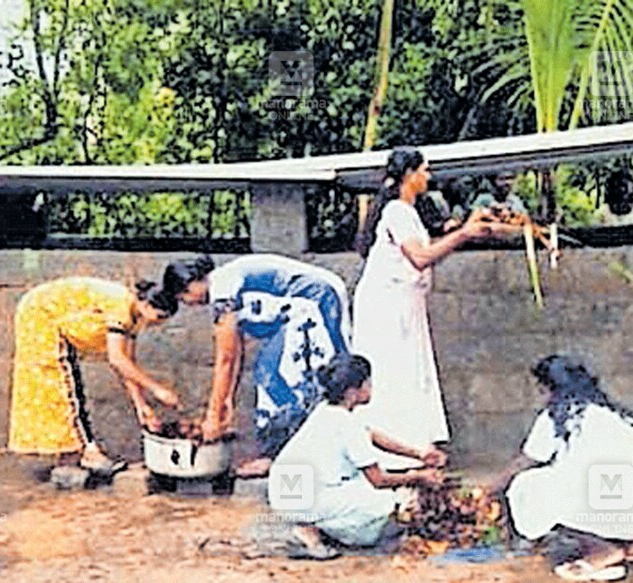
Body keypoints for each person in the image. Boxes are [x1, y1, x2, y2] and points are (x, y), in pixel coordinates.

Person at [352, 147, 511, 469]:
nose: (428, 176)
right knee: (393, 375)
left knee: (410, 374)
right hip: (387, 308)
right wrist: (465, 233)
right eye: (424, 170)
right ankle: (391, 453)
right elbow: (421, 257)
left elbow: (436, 242)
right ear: (410, 175)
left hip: (405, 306)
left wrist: (474, 224)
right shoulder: (396, 211)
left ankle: (412, 447)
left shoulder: (410, 212)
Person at [491, 355, 633, 582]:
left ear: (550, 389)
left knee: (528, 486)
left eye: (542, 391)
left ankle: (603, 550)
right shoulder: (616, 414)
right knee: (609, 479)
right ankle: (631, 545)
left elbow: (525, 462)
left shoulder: (557, 416)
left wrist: (491, 489)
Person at [171, 254, 351, 478]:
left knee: (277, 376)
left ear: (193, 282)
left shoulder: (223, 289)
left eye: (183, 296)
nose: (188, 303)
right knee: (286, 377)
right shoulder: (225, 285)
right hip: (306, 308)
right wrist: (227, 400)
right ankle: (293, 453)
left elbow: (225, 359)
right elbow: (236, 351)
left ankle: (278, 456)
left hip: (316, 302)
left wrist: (213, 416)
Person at [271, 353, 447, 559]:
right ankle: (313, 530)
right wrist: (417, 476)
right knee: (387, 502)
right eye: (368, 383)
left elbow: (371, 435)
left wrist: (419, 454)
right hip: (301, 497)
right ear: (353, 392)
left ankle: (313, 525)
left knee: (360, 486)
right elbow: (378, 480)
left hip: (283, 491)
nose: (371, 387)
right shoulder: (347, 424)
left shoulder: (327, 410)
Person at [8, 276, 183, 474]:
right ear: (144, 303)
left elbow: (126, 364)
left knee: (67, 384)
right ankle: (88, 452)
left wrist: (142, 406)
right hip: (40, 315)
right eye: (159, 317)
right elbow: (116, 359)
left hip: (52, 319)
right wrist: (158, 389)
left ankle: (70, 455)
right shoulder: (121, 306)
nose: (158, 324)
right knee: (63, 386)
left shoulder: (135, 317)